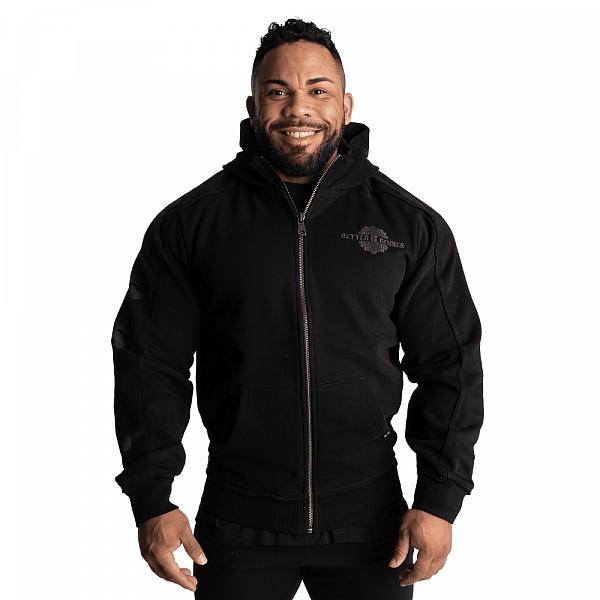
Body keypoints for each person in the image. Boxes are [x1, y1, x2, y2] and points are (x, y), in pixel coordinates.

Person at [111, 17, 484, 600]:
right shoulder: (192, 225)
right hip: (237, 523)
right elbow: (148, 364)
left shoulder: (408, 225)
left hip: (373, 526)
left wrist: (439, 498)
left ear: (346, 105)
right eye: (278, 91)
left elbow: (450, 364)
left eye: (318, 90)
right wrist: (152, 498)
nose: (298, 108)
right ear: (253, 105)